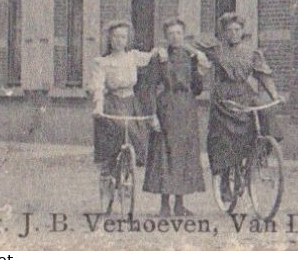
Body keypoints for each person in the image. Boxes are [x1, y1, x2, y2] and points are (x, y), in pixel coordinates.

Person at [204, 13, 282, 192]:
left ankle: (257, 157)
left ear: (242, 31)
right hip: (223, 96)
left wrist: (275, 95)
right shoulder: (217, 50)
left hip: (244, 92)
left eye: (237, 29)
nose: (233, 33)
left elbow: (263, 74)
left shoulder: (251, 52)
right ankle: (224, 179)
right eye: (229, 30)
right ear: (224, 32)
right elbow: (192, 45)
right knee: (224, 136)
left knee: (261, 117)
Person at [140, 18, 209, 215]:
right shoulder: (159, 57)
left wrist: (200, 73)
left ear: (183, 34)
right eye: (171, 34)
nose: (175, 37)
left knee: (184, 155)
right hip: (166, 107)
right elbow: (151, 88)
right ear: (166, 37)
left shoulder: (191, 56)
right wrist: (152, 115)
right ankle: (164, 205)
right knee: (165, 153)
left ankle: (180, 204)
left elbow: (197, 88)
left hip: (187, 108)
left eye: (178, 33)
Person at [89, 21, 161, 195]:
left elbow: (151, 56)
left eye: (123, 37)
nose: (119, 40)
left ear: (127, 39)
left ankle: (130, 166)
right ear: (110, 39)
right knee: (120, 130)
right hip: (112, 103)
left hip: (130, 102)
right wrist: (98, 106)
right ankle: (109, 170)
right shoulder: (102, 62)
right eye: (115, 36)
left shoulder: (133, 57)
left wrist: (160, 51)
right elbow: (97, 86)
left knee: (138, 132)